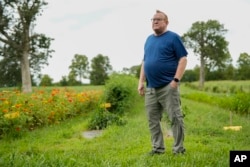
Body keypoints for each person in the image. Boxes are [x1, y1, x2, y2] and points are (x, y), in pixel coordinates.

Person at [138, 9, 188, 155]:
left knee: (176, 118)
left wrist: (176, 80)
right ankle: (157, 148)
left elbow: (183, 59)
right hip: (151, 88)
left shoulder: (173, 38)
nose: (155, 21)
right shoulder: (149, 39)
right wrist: (141, 82)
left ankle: (179, 149)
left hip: (168, 86)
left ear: (166, 22)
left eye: (158, 19)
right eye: (153, 19)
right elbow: (145, 62)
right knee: (153, 121)